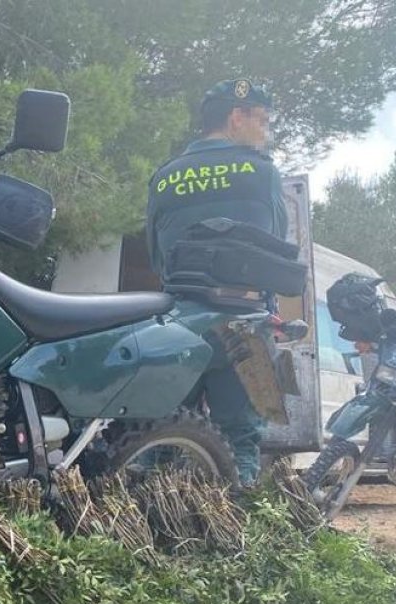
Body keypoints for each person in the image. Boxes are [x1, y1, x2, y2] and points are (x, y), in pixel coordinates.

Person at [145, 78, 289, 488]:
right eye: (262, 120)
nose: (266, 131)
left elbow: (157, 255)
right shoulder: (263, 173)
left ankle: (153, 523)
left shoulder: (165, 176)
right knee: (241, 437)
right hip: (244, 322)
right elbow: (276, 250)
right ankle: (236, 528)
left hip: (174, 323)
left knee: (163, 435)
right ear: (236, 116)